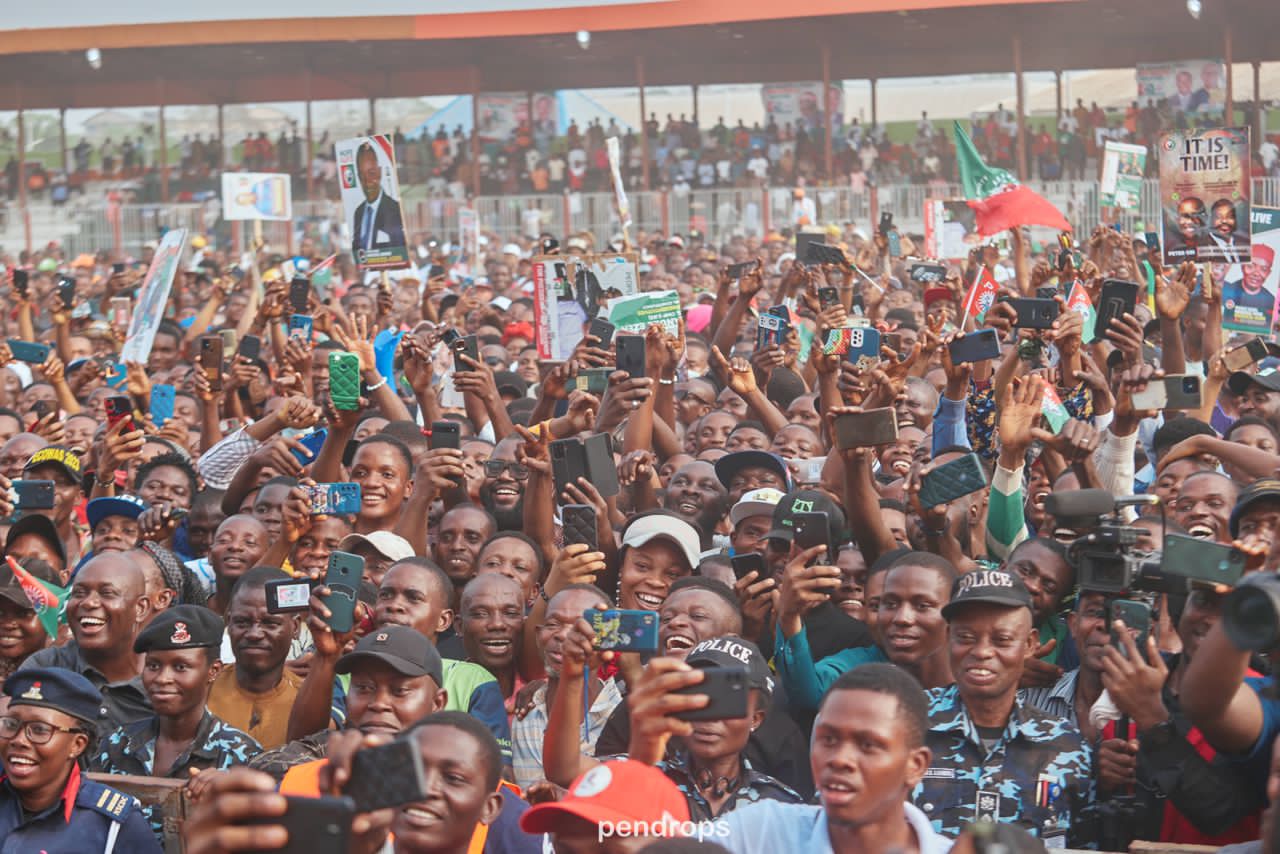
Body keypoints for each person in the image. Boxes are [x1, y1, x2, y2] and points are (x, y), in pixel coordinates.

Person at [912, 568, 1090, 843]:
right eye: (966, 638)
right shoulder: (906, 725)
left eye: (1002, 640)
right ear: (948, 638)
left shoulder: (1066, 744)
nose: (982, 651)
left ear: (1030, 644)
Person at [712, 664, 950, 854]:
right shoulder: (761, 832)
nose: (840, 759)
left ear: (915, 765)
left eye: (868, 745)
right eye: (828, 740)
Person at [91, 605, 261, 840]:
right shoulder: (117, 743)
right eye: (153, 666)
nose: (162, 679)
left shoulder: (241, 755)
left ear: (213, 671)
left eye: (180, 667)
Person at [0, 668, 161, 852]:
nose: (19, 740)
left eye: (39, 730)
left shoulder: (112, 825)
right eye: (11, 725)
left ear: (77, 744)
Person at [19, 551, 153, 737]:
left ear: (140, 608)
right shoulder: (45, 668)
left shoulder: (161, 679)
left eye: (107, 593)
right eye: (79, 593)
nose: (89, 602)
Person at [206, 566, 302, 749]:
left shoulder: (308, 701)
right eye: (242, 622)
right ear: (228, 621)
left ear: (295, 627)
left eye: (270, 623)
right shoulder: (201, 688)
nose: (254, 634)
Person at [350, 140, 405, 259]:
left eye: (371, 173)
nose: (367, 182)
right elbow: (356, 249)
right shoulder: (358, 213)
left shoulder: (394, 210)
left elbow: (399, 250)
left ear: (379, 173)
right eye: (362, 175)